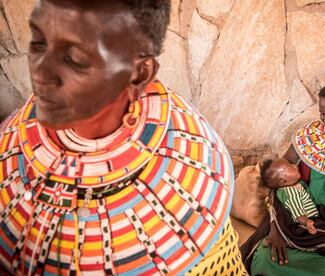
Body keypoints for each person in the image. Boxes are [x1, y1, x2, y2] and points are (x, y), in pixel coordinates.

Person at [0, 1, 247, 275]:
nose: (42, 73)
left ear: (139, 73)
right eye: (41, 43)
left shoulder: (187, 169)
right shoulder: (13, 160)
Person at [241, 79, 325, 275]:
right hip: (291, 214)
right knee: (266, 256)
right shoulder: (309, 137)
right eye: (322, 113)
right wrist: (275, 228)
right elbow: (277, 183)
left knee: (321, 265)